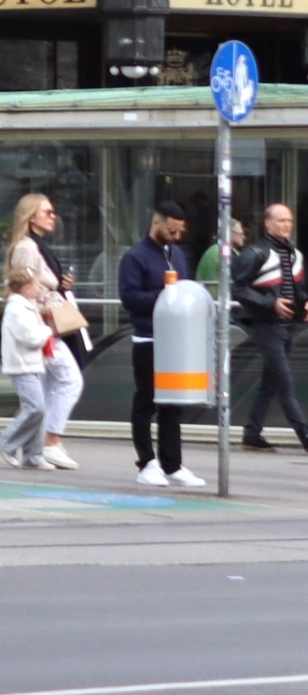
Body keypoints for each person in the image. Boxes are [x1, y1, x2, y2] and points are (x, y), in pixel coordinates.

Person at [120, 201, 203, 489]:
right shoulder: (135, 257)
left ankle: (172, 463)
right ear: (157, 224)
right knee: (146, 400)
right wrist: (165, 295)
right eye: (171, 230)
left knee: (172, 404)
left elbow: (185, 287)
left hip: (174, 338)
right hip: (148, 337)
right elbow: (129, 297)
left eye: (180, 231)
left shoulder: (176, 254)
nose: (176, 236)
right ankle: (146, 462)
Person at [6, 193, 84, 470]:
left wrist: (60, 285)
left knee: (51, 387)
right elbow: (23, 288)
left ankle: (36, 445)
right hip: (40, 328)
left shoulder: (38, 247)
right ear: (30, 216)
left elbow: (39, 282)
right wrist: (48, 294)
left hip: (48, 326)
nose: (53, 216)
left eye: (53, 212)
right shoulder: (27, 248)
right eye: (47, 212)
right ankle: (49, 442)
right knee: (69, 380)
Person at [233, 201, 307, 453]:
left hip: (288, 326)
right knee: (284, 383)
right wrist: (270, 303)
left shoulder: (296, 255)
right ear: (267, 223)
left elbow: (299, 290)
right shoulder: (255, 253)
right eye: (280, 220)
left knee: (272, 382)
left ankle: (252, 433)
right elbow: (239, 288)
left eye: (289, 221)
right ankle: (304, 434)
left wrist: (305, 304)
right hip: (266, 325)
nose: (286, 225)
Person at [0, 267, 57, 470]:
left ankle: (34, 455)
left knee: (38, 410)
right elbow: (29, 337)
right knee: (35, 407)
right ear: (26, 288)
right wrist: (48, 330)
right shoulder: (16, 308)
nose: (40, 288)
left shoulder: (27, 305)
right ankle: (6, 443)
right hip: (22, 365)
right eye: (37, 285)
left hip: (32, 363)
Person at [198, 216, 248, 287]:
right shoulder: (220, 251)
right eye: (241, 234)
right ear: (230, 232)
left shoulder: (227, 251)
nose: (243, 237)